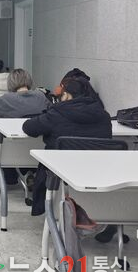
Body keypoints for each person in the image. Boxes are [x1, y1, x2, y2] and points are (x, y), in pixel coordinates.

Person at [22, 78, 112, 215]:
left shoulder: (57, 114)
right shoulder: (103, 116)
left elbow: (29, 128)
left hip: (60, 177)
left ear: (67, 95)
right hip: (99, 176)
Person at [0, 69, 50, 192]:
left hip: (10, 147)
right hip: (38, 148)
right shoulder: (40, 96)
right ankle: (29, 173)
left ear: (10, 83)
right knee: (26, 148)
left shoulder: (7, 99)